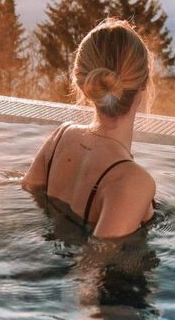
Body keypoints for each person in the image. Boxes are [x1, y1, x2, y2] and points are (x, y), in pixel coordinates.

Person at [22, 18, 156, 239]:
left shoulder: (61, 137)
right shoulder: (132, 181)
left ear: (83, 84)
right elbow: (92, 267)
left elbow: (28, 191)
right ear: (143, 84)